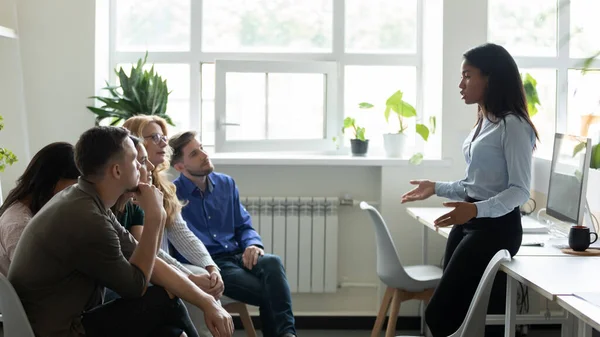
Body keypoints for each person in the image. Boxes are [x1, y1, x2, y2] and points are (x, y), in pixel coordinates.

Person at [8, 126, 233, 337]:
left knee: (167, 330)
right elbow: (135, 287)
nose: (143, 167)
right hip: (62, 331)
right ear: (116, 170)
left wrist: (207, 302)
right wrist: (155, 218)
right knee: (163, 299)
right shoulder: (87, 217)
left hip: (67, 321)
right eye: (135, 160)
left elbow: (148, 261)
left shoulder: (85, 199)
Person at [400, 43, 539, 337]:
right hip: (470, 224)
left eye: (467, 75)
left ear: (490, 78)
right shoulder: (485, 121)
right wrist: (436, 188)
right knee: (450, 315)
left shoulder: (513, 126)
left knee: (440, 314)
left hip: (497, 230)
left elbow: (519, 191)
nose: (460, 84)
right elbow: (474, 185)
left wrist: (475, 209)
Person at [169, 130, 297, 337]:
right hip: (212, 265)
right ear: (180, 166)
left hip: (238, 254)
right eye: (194, 154)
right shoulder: (172, 195)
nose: (204, 155)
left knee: (272, 262)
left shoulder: (226, 184)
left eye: (201, 148)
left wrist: (252, 245)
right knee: (272, 291)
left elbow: (243, 225)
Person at [122, 116, 223, 336]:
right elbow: (146, 251)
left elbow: (183, 234)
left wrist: (210, 266)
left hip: (164, 266)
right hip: (147, 271)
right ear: (134, 144)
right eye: (155, 137)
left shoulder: (163, 185)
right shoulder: (131, 191)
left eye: (164, 137)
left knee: (206, 279)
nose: (164, 143)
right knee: (194, 286)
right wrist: (188, 277)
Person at [0, 142, 80, 276]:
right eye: (73, 187)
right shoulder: (18, 223)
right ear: (54, 180)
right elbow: (34, 276)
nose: (74, 194)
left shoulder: (33, 211)